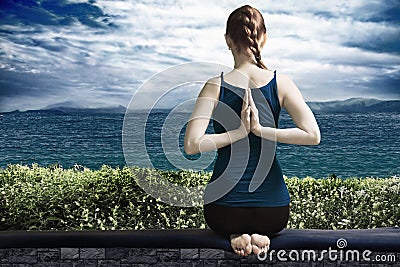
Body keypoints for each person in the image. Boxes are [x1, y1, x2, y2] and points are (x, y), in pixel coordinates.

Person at [184, 5, 320, 257]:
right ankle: (259, 235)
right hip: (274, 213)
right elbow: (313, 135)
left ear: (227, 40)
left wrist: (238, 132)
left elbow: (191, 145)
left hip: (223, 211)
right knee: (266, 220)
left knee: (229, 219)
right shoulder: (282, 83)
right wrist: (262, 130)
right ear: (264, 38)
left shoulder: (214, 86)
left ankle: (237, 234)